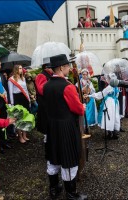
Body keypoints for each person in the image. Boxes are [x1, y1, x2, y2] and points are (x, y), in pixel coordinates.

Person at [43, 54, 87, 200]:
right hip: (65, 127)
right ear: (62, 67)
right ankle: (71, 193)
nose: (69, 68)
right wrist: (83, 106)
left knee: (53, 157)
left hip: (52, 126)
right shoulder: (67, 86)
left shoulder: (46, 85)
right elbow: (78, 109)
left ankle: (54, 189)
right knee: (68, 159)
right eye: (67, 66)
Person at [85, 73, 120, 140]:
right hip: (115, 103)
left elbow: (100, 95)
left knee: (108, 117)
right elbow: (117, 95)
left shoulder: (109, 87)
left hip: (109, 103)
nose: (107, 80)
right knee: (114, 117)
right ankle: (114, 133)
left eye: (108, 79)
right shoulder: (116, 86)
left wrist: (90, 95)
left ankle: (110, 133)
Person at [8, 65, 31, 143]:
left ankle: (24, 135)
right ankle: (20, 136)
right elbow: (10, 92)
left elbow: (26, 90)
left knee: (25, 118)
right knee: (19, 119)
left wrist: (29, 100)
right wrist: (12, 103)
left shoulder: (23, 78)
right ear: (16, 69)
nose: (22, 70)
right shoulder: (11, 79)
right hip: (17, 99)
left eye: (22, 68)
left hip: (24, 98)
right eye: (20, 68)